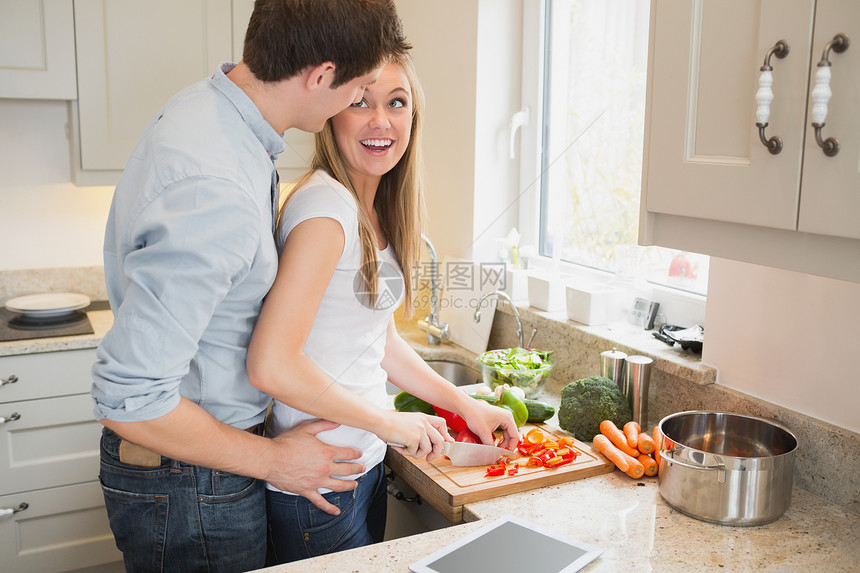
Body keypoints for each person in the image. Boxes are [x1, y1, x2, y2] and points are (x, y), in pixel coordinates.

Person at [90, 1, 410, 571]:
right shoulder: (218, 184)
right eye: (356, 91)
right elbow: (130, 401)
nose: (362, 108)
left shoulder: (213, 115)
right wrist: (274, 461)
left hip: (198, 466)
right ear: (321, 77)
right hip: (191, 479)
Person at [246, 53, 520, 564]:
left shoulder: (367, 210)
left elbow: (379, 340)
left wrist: (463, 404)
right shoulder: (325, 213)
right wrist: (387, 421)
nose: (380, 121)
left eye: (396, 103)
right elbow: (271, 363)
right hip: (321, 483)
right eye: (359, 103)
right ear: (331, 115)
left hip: (359, 468)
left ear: (413, 118)